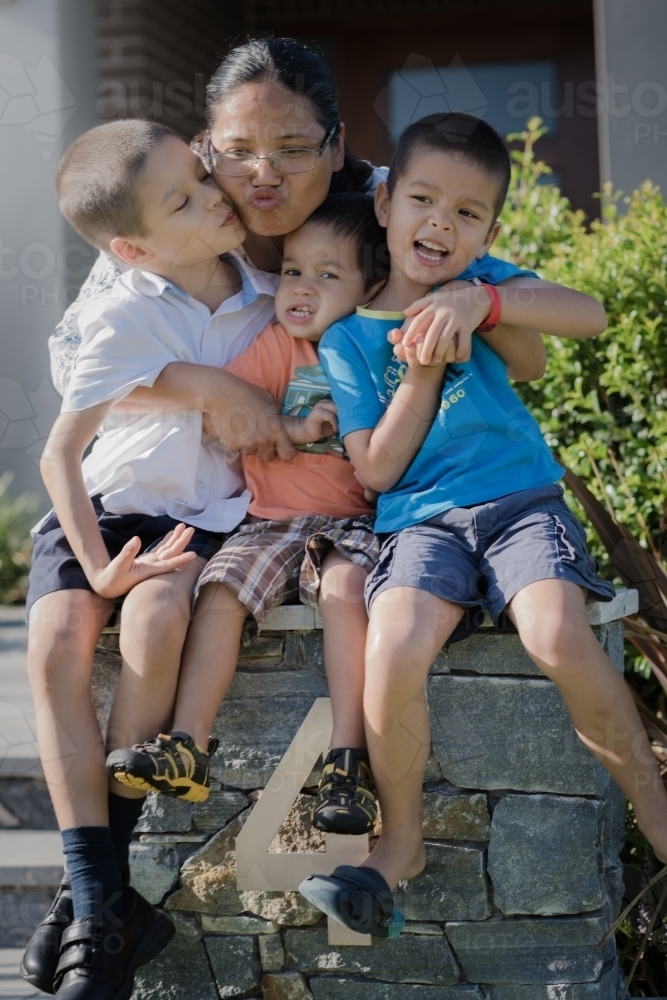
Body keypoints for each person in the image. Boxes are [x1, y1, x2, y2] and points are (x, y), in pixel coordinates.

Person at [297, 112, 667, 939]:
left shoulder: (484, 281)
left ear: (488, 233)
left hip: (518, 503)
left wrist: (483, 297)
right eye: (423, 198)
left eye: (467, 214)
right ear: (385, 202)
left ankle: (654, 806)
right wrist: (422, 369)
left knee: (557, 634)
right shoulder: (346, 340)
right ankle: (400, 845)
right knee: (392, 647)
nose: (441, 222)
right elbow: (378, 471)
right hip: (420, 522)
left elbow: (588, 315)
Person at [103, 191, 548, 832]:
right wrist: (292, 426)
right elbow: (225, 424)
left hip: (352, 521)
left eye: (327, 274)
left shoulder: (375, 349)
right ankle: (188, 744)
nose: (302, 287)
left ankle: (347, 759)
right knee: (222, 591)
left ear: (369, 285)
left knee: (345, 592)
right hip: (269, 518)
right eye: (291, 271)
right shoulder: (273, 346)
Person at [22, 118, 284, 999]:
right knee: (54, 648)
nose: (216, 197)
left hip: (199, 515)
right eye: (185, 200)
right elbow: (59, 452)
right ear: (134, 246)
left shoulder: (264, 290)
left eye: (203, 177)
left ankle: (90, 905)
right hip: (100, 506)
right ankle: (104, 905)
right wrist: (96, 567)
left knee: (157, 620)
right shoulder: (127, 304)